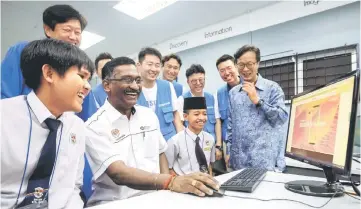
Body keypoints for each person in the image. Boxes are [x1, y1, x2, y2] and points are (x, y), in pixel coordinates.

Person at [85, 57, 220, 206]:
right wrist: (170, 182)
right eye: (127, 80)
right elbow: (118, 173)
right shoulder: (94, 126)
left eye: (137, 80)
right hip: (116, 202)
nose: (135, 87)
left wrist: (166, 193)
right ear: (107, 85)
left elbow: (161, 152)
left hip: (155, 197)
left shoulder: (148, 115)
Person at [1, 38, 94, 209]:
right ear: (49, 74)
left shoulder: (76, 126)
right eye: (81, 76)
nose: (87, 87)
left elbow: (73, 187)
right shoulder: (4, 117)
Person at [226, 45, 289, 171]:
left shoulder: (272, 88)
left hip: (265, 163)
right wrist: (229, 152)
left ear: (258, 64)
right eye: (241, 65)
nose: (245, 69)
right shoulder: (234, 93)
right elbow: (230, 126)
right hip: (240, 163)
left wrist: (258, 101)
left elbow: (281, 118)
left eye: (250, 64)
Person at [136, 47, 184, 141]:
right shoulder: (132, 89)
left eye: (157, 65)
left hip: (169, 141)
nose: (153, 69)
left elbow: (175, 114)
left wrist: (181, 139)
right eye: (149, 64)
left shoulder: (168, 86)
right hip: (144, 142)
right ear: (139, 65)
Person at [177, 64, 222, 160]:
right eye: (193, 81)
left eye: (201, 80)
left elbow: (217, 121)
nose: (198, 83)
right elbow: (180, 125)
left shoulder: (211, 97)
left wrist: (218, 145)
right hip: (192, 148)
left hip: (211, 146)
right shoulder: (182, 100)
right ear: (188, 82)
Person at [165, 97, 216, 176]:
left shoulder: (210, 139)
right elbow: (168, 168)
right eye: (196, 114)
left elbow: (209, 164)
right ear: (185, 116)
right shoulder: (175, 141)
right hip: (184, 184)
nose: (202, 118)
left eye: (205, 114)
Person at [215, 54, 240, 166]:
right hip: (228, 145)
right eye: (222, 70)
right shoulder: (219, 93)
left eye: (229, 68)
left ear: (236, 66)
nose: (226, 73)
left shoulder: (250, 86)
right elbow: (219, 121)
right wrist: (220, 146)